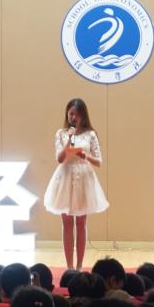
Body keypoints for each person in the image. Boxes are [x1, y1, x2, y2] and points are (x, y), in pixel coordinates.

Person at [43, 98, 109, 270]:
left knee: (81, 222)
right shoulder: (61, 133)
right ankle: (69, 267)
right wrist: (69, 139)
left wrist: (85, 156)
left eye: (77, 115)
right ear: (67, 114)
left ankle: (79, 266)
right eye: (71, 113)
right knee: (66, 223)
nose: (74, 117)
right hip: (65, 177)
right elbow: (60, 158)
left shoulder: (90, 134)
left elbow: (99, 162)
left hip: (83, 177)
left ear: (83, 116)